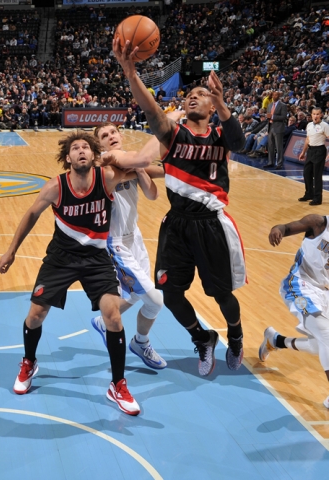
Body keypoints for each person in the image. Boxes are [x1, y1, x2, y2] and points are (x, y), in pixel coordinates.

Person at [113, 38, 247, 376]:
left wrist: (222, 103)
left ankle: (235, 336)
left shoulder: (220, 135)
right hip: (176, 225)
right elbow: (152, 112)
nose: (193, 96)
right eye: (190, 95)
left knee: (221, 294)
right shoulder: (173, 134)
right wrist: (131, 73)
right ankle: (203, 338)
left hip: (212, 224)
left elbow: (240, 143)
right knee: (170, 294)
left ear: (213, 105)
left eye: (201, 94)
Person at [0, 131, 141, 416]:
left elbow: (143, 166)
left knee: (113, 316)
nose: (81, 151)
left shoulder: (107, 178)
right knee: (35, 315)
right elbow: (31, 214)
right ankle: (29, 362)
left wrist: (172, 168)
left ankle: (117, 384)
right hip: (61, 258)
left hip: (96, 258)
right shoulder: (56, 186)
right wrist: (11, 251)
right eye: (75, 148)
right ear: (68, 158)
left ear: (93, 155)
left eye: (85, 147)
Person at [90, 122, 167, 369]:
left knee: (135, 294)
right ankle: (140, 341)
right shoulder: (102, 164)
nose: (111, 136)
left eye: (113, 132)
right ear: (99, 144)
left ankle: (106, 323)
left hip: (135, 237)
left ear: (121, 135)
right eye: (104, 135)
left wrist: (142, 169)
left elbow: (153, 195)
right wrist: (143, 164)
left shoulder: (132, 162)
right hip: (115, 243)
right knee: (155, 301)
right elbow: (133, 163)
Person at [260, 214, 329, 410]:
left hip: (324, 293)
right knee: (326, 335)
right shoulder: (319, 223)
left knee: (319, 345)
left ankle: (275, 340)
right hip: (300, 286)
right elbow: (285, 227)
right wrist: (277, 230)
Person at [297, 107, 329, 206]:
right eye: (314, 114)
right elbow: (307, 139)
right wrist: (303, 152)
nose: (315, 116)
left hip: (319, 151)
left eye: (317, 114)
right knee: (306, 173)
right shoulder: (309, 125)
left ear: (321, 115)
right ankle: (309, 194)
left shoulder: (325, 126)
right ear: (311, 115)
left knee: (317, 175)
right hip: (310, 150)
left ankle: (317, 198)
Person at [265, 91, 288, 169]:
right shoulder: (269, 105)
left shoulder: (283, 105)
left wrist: (272, 117)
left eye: (276, 95)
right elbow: (269, 116)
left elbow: (284, 117)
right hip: (270, 126)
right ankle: (270, 162)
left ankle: (279, 163)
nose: (274, 96)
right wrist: (267, 117)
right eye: (273, 95)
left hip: (278, 128)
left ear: (279, 96)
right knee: (270, 146)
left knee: (279, 147)